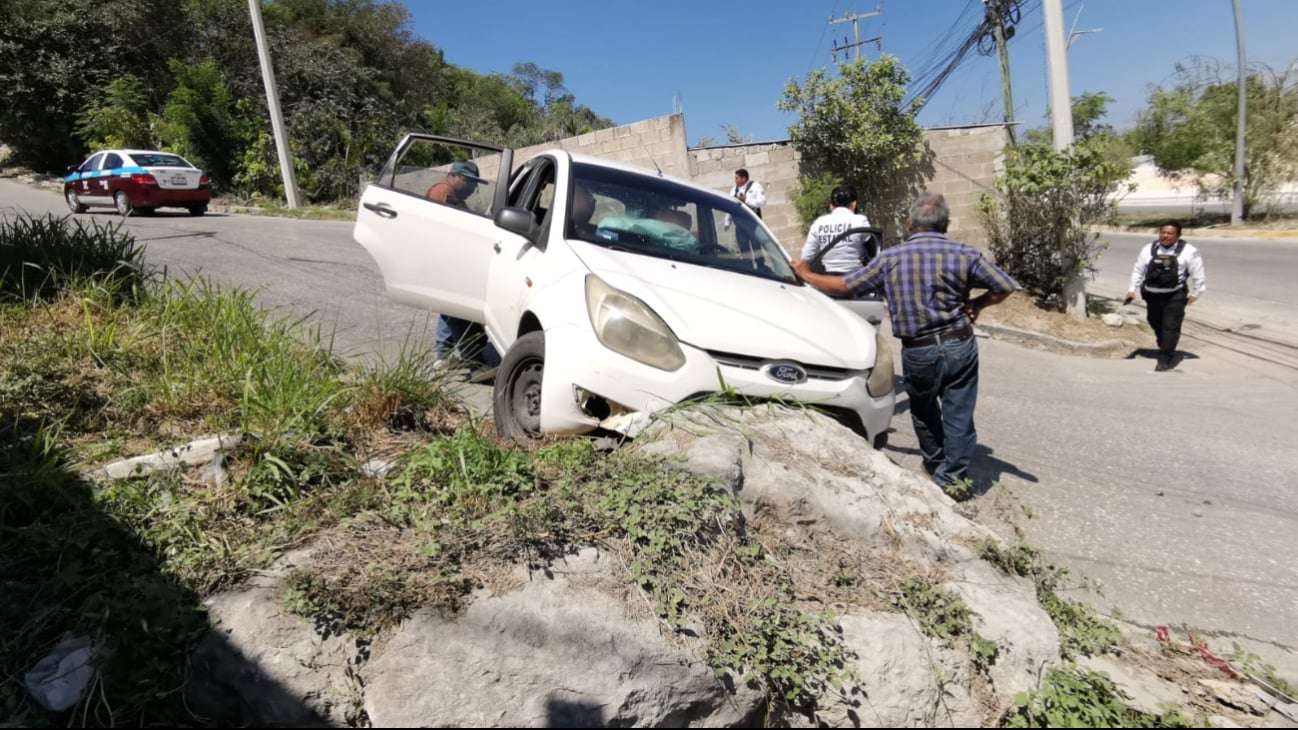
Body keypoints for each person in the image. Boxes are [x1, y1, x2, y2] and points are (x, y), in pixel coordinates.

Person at [792, 192, 1019, 492]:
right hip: (959, 343)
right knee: (959, 412)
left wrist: (806, 274)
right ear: (946, 224)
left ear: (909, 224)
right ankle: (953, 480)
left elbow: (846, 285)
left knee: (924, 412)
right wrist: (978, 304)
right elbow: (1004, 286)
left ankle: (936, 464)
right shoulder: (966, 254)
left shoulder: (890, 259)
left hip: (918, 349)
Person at [426, 160, 500, 375]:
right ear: (454, 177)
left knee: (447, 309)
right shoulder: (442, 193)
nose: (472, 189)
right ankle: (474, 361)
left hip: (449, 262)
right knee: (456, 310)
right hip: (444, 263)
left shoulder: (455, 197)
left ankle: (443, 356)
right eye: (469, 183)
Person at [1123, 221, 1206, 372]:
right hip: (1151, 294)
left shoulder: (1189, 251)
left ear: (1178, 236)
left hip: (1175, 295)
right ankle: (1166, 345)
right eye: (1163, 233)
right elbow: (1138, 270)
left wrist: (1197, 293)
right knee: (1154, 321)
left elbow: (1198, 274)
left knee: (1170, 326)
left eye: (1170, 233)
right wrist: (1131, 289)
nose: (1165, 236)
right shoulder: (1148, 249)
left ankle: (1165, 358)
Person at [800, 184, 875, 274]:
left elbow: (806, 257)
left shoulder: (818, 223)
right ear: (854, 204)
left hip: (829, 281)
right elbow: (874, 252)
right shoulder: (860, 221)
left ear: (831, 206)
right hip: (855, 279)